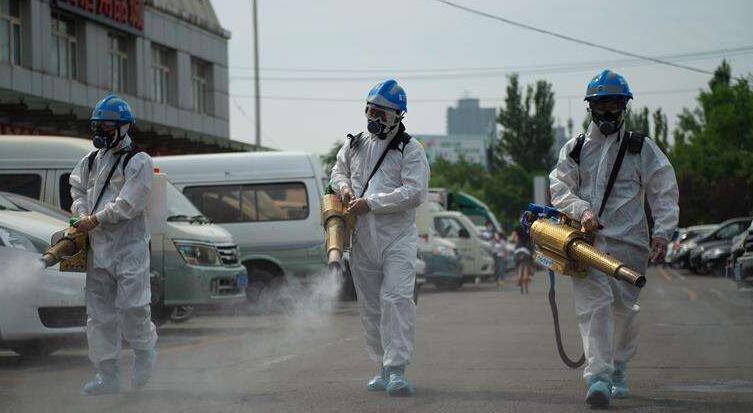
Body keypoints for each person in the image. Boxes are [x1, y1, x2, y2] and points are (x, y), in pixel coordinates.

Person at [549, 70, 679, 408]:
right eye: (602, 107)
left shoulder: (641, 148)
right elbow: (559, 188)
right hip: (588, 246)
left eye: (614, 107)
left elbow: (664, 190)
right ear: (591, 109)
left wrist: (663, 232)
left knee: (625, 310)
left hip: (630, 246)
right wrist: (582, 210)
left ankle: (619, 366)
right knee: (595, 309)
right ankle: (599, 376)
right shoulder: (575, 148)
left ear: (624, 108)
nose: (609, 115)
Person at [330, 79, 430, 397]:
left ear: (397, 116)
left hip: (397, 238)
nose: (374, 118)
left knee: (397, 301)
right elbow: (337, 171)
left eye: (381, 113)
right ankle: (383, 367)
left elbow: (414, 192)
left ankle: (398, 368)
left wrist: (371, 203)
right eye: (371, 110)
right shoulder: (355, 144)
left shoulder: (410, 150)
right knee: (371, 306)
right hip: (362, 239)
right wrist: (344, 189)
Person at [70, 95, 158, 395]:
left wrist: (94, 219)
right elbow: (77, 189)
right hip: (98, 248)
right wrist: (81, 213)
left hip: (129, 249)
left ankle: (145, 354)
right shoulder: (90, 160)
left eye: (107, 125)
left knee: (134, 308)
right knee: (99, 314)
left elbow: (128, 204)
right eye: (98, 125)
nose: (101, 131)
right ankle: (107, 374)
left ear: (124, 127)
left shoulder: (139, 161)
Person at [511, 224, 534, 294]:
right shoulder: (531, 228)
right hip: (527, 251)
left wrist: (513, 240)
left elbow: (513, 237)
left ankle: (518, 278)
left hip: (518, 250)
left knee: (517, 265)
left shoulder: (518, 227)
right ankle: (526, 277)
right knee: (527, 267)